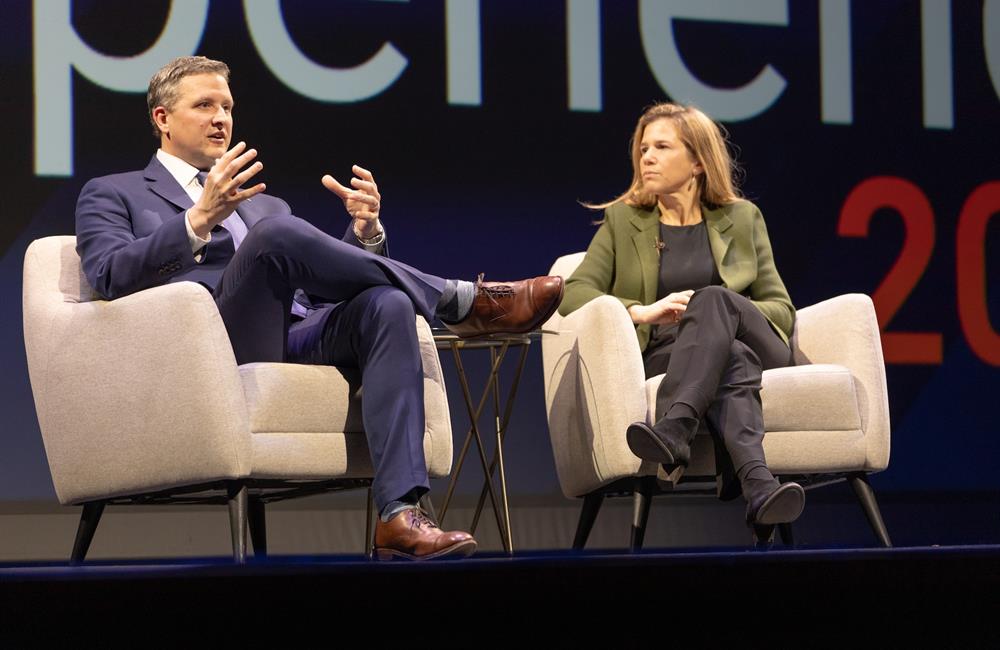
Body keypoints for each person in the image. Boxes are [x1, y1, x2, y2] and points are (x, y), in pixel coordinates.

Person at [74, 56, 563, 561]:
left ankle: (400, 514)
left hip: (291, 336)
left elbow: (321, 293)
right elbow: (108, 274)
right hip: (207, 350)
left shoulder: (263, 204)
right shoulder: (114, 193)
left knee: (389, 303)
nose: (221, 117)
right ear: (162, 119)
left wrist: (365, 236)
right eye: (204, 105)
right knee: (275, 236)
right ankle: (459, 300)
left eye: (227, 106)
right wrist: (197, 221)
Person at [559, 102, 804, 534]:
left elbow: (781, 309)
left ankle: (675, 429)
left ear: (696, 162)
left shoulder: (742, 219)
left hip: (765, 346)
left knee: (715, 303)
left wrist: (721, 309)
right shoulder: (623, 222)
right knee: (734, 357)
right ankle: (759, 486)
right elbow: (572, 294)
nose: (646, 157)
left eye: (661, 147)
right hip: (669, 355)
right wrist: (640, 311)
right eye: (642, 148)